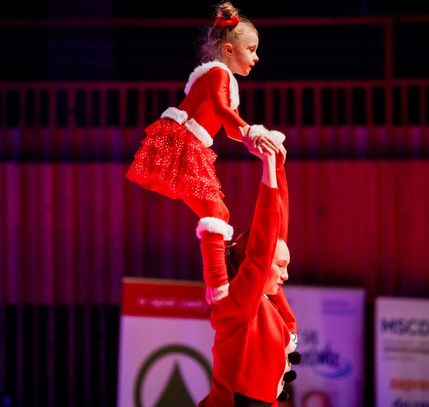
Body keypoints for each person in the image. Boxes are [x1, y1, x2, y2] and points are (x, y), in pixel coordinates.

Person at [125, 1, 285, 304]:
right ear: (228, 50)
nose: (256, 57)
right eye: (251, 50)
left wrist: (258, 143)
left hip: (191, 145)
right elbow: (224, 112)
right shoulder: (217, 74)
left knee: (219, 213)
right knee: (216, 212)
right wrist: (254, 132)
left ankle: (219, 285)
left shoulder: (224, 78)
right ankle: (218, 288)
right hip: (183, 144)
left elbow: (231, 128)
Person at [198, 136, 299, 407]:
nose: (286, 275)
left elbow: (276, 229)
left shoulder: (268, 299)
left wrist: (277, 167)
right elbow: (262, 247)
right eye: (280, 266)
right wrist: (267, 164)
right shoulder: (241, 304)